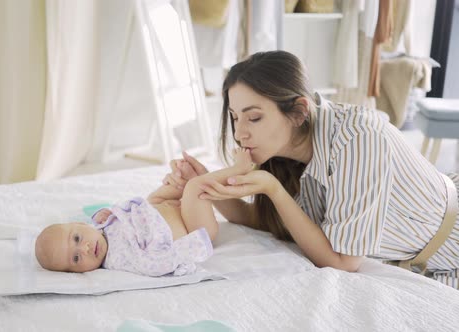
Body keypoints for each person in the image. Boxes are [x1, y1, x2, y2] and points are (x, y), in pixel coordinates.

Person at [163, 50, 459, 289]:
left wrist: (274, 190)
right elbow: (265, 219)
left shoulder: (357, 140)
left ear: (299, 111)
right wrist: (205, 183)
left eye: (254, 118)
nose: (240, 134)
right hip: (423, 260)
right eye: (234, 117)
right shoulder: (284, 152)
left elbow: (343, 262)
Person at [35, 148, 255, 277]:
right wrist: (186, 255)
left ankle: (182, 180)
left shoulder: (101, 227)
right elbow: (153, 264)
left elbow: (128, 214)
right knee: (195, 187)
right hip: (193, 227)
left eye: (76, 238)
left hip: (164, 209)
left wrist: (109, 213)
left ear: (83, 226)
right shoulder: (117, 259)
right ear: (76, 273)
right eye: (75, 258)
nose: (84, 248)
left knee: (156, 197)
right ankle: (238, 170)